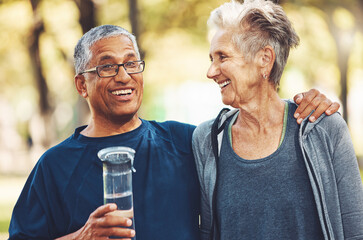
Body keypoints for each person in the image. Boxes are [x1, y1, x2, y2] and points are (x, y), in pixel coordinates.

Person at [8, 24, 338, 240]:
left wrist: (303, 106)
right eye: (107, 66)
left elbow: (257, 135)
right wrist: (81, 237)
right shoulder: (53, 166)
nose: (124, 76)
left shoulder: (186, 141)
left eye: (132, 62)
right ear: (82, 84)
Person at [192, 1, 363, 240]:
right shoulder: (207, 140)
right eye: (212, 58)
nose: (211, 71)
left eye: (222, 57)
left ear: (264, 59)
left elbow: (355, 230)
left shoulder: (324, 128)